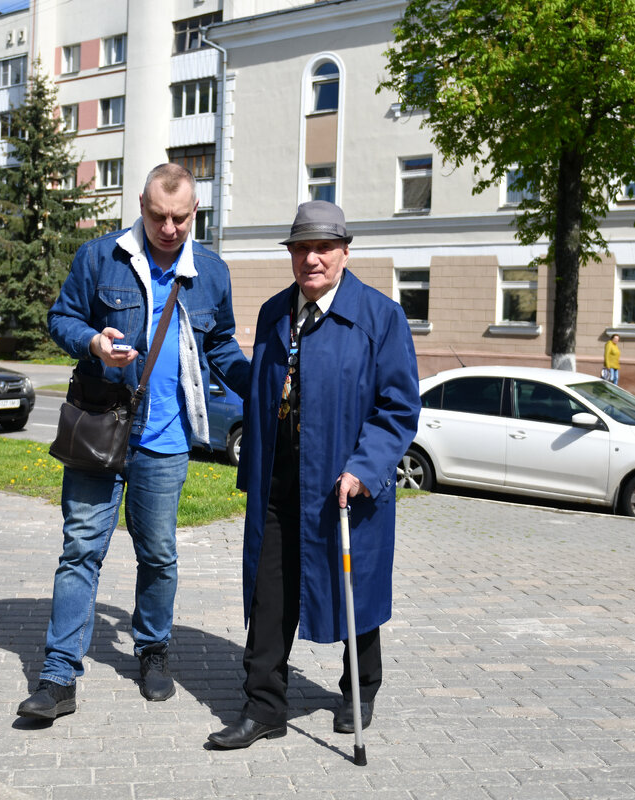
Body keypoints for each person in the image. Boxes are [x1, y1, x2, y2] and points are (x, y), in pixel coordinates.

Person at [17, 163, 249, 720]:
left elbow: (220, 350)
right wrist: (93, 342)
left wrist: (263, 384)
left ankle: (151, 651)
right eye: (157, 215)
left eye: (180, 217)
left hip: (166, 443)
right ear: (141, 205)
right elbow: (61, 318)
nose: (168, 228)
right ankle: (57, 676)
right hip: (101, 428)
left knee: (159, 556)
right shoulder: (100, 257)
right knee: (80, 552)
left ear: (196, 213)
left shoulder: (211, 272)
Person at [208, 200, 421, 750]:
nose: (312, 259)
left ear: (345, 252)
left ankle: (361, 688)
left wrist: (365, 467)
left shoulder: (380, 317)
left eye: (323, 247)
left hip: (345, 483)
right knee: (268, 595)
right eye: (302, 248)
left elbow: (397, 408)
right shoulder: (277, 312)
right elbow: (263, 388)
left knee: (355, 591)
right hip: (279, 482)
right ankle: (264, 707)